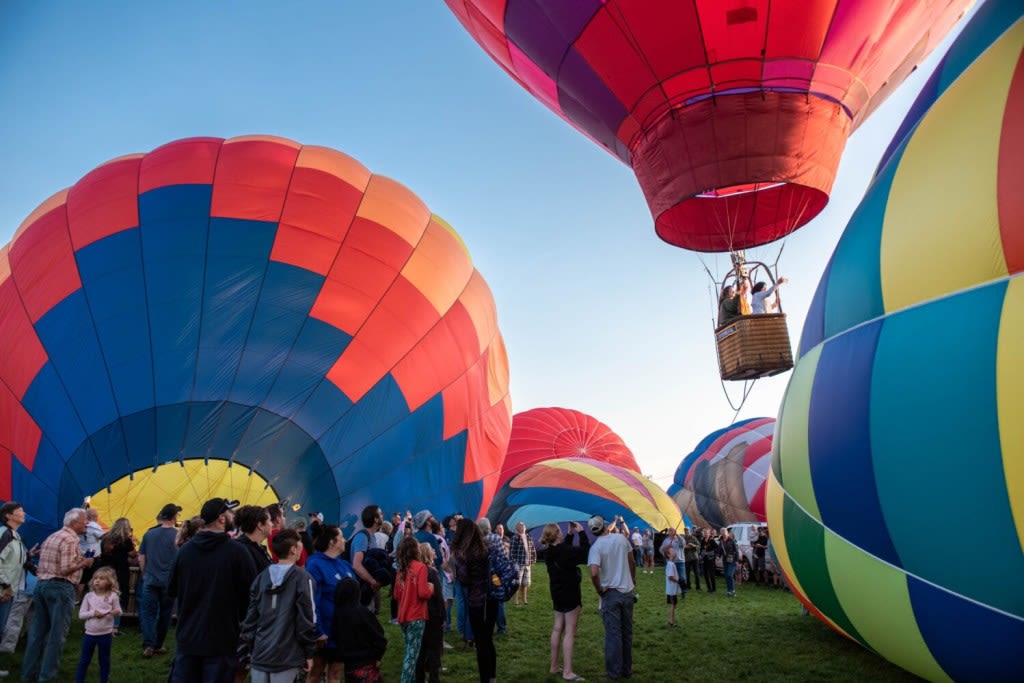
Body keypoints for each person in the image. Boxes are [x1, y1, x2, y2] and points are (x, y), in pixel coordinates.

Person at [168, 497, 257, 683]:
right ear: (221, 519)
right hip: (222, 639)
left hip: (188, 637)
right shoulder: (238, 552)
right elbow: (251, 594)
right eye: (230, 513)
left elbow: (172, 589)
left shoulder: (185, 552)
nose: (233, 517)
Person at [22, 507, 94, 682]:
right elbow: (65, 569)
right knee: (57, 635)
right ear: (74, 522)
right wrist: (84, 562)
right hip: (61, 588)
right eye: (85, 520)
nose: (87, 523)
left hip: (42, 586)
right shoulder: (70, 539)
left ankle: (28, 674)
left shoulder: (53, 536)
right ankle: (47, 676)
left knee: (37, 633)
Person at [238, 529, 318, 683]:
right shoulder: (303, 579)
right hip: (288, 656)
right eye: (300, 542)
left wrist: (248, 647)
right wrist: (309, 652)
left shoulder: (261, 578)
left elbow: (251, 617)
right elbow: (307, 618)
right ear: (294, 549)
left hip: (261, 653)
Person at [537, 521, 589, 682]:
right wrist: (581, 533)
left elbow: (562, 551)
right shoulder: (565, 551)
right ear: (557, 534)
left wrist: (570, 534)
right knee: (570, 632)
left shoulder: (548, 552)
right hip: (570, 592)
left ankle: (554, 666)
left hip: (557, 593)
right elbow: (584, 553)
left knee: (557, 628)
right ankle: (567, 671)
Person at [305, 524, 356, 683]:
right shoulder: (315, 565)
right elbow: (312, 600)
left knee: (335, 673)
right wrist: (318, 631)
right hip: (325, 632)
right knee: (316, 672)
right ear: (332, 542)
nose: (345, 540)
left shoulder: (345, 565)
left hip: (343, 630)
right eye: (341, 537)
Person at [587, 514, 635, 681]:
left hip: (611, 594)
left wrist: (600, 590)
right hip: (628, 592)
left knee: (613, 635)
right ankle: (627, 671)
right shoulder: (621, 539)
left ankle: (614, 673)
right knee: (627, 634)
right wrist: (633, 580)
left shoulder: (596, 547)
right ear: (605, 526)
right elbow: (632, 561)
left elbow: (593, 573)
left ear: (593, 531)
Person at [451, 518, 497, 683]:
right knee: (488, 640)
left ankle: (485, 679)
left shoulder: (465, 554)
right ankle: (492, 677)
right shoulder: (487, 548)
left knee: (481, 642)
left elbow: (464, 579)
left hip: (477, 601)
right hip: (491, 599)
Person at [138, 502, 181, 658]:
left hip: (150, 579)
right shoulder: (177, 536)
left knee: (148, 614)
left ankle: (148, 644)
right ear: (174, 517)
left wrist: (144, 574)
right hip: (168, 582)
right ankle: (158, 645)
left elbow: (141, 557)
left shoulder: (149, 534)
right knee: (165, 614)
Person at [393, 536, 433, 683]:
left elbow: (396, 594)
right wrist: (431, 588)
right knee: (412, 655)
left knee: (409, 651)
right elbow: (423, 593)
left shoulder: (401, 570)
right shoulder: (420, 567)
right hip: (416, 615)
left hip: (403, 615)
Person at [333, 577, 387, 683]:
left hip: (349, 665)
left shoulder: (337, 615)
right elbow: (379, 635)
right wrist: (378, 656)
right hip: (366, 663)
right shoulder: (362, 613)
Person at [74, 566, 121, 683]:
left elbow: (119, 611)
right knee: (84, 660)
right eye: (96, 578)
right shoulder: (88, 596)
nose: (97, 581)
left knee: (104, 660)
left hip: (105, 635)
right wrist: (93, 613)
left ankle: (104, 680)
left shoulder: (113, 596)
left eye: (102, 578)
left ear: (109, 582)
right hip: (89, 634)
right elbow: (81, 615)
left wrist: (115, 612)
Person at [93, 517, 135, 635]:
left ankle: (100, 624)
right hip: (119, 572)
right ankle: (114, 626)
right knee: (117, 598)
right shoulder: (125, 540)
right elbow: (133, 554)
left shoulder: (105, 538)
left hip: (105, 571)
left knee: (103, 597)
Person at [415, 543, 445, 683]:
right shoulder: (431, 572)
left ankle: (419, 678)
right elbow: (438, 597)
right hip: (432, 615)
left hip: (418, 614)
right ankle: (434, 678)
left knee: (420, 649)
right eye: (432, 550)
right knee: (434, 650)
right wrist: (443, 617)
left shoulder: (414, 571)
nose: (434, 551)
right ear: (428, 554)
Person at [0, 501, 29, 640]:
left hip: (9, 591)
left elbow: (12, 561)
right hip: (3, 590)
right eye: (20, 510)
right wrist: (5, 585)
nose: (24, 513)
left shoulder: (16, 537)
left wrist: (29, 556)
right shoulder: (5, 534)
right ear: (8, 515)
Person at [476, 517, 507, 636]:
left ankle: (487, 625)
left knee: (486, 600)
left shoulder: (480, 540)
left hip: (484, 574)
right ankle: (501, 627)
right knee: (499, 600)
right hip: (497, 574)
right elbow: (503, 556)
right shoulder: (497, 538)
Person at [351, 505, 385, 603]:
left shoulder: (372, 536)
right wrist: (372, 581)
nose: (383, 515)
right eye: (381, 514)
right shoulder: (362, 537)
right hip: (362, 588)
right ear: (375, 519)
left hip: (368, 587)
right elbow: (356, 565)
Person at [234, 505, 272, 574]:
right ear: (260, 525)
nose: (272, 524)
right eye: (269, 521)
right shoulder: (244, 551)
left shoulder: (257, 548)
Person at [508, 521, 537, 607]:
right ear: (518, 528)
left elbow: (532, 549)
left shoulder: (528, 537)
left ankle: (524, 599)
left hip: (527, 564)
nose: (523, 527)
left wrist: (533, 560)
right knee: (517, 583)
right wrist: (515, 564)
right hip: (518, 564)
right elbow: (512, 553)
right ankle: (516, 600)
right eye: (521, 526)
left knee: (525, 583)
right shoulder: (514, 538)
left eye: (524, 526)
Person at [659, 527, 687, 595]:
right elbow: (660, 550)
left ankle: (683, 591)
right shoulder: (666, 540)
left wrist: (677, 535)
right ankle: (673, 591)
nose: (671, 532)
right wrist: (666, 547)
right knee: (671, 577)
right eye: (669, 531)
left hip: (680, 561)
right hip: (670, 562)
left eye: (672, 530)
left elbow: (683, 544)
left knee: (682, 577)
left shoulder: (679, 539)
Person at [663, 547, 681, 628]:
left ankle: (672, 621)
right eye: (672, 551)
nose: (674, 551)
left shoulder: (671, 563)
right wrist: (678, 581)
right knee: (672, 605)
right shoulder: (670, 564)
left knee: (673, 605)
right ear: (668, 554)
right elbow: (670, 577)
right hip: (671, 590)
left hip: (672, 589)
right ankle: (671, 622)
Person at [720, 527, 739, 597]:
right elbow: (720, 550)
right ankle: (729, 591)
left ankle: (733, 591)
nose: (724, 534)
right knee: (726, 576)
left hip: (732, 560)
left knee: (729, 575)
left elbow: (736, 551)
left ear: (727, 533)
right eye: (722, 533)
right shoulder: (721, 541)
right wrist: (717, 555)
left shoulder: (732, 540)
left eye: (725, 532)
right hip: (725, 560)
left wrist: (737, 560)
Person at [701, 529, 719, 594]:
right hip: (704, 559)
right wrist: (701, 554)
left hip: (710, 559)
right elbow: (701, 549)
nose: (705, 534)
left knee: (711, 574)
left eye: (707, 533)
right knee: (705, 574)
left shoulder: (711, 541)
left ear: (709, 533)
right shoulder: (702, 541)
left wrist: (711, 553)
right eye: (704, 533)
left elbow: (717, 547)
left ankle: (714, 588)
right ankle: (709, 588)